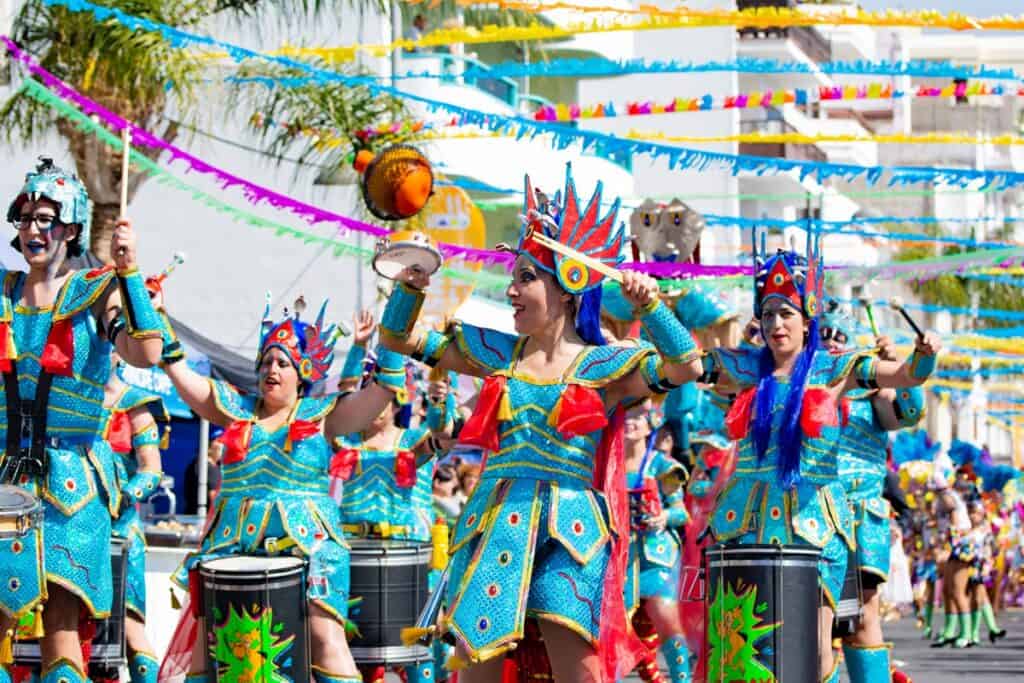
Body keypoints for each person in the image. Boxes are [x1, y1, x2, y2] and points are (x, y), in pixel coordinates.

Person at [379, 168, 703, 683]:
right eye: (514, 277)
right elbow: (399, 338)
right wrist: (411, 285)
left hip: (572, 530)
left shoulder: (606, 366)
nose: (511, 291)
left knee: (581, 674)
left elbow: (688, 367)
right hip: (494, 520)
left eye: (526, 278)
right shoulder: (496, 355)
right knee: (474, 672)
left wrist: (652, 305)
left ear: (570, 286)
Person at [698, 234, 941, 682]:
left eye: (786, 313)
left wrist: (918, 360)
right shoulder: (750, 372)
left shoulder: (847, 378)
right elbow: (690, 368)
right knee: (750, 646)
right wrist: (655, 311)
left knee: (856, 622)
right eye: (767, 314)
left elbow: (907, 402)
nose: (776, 325)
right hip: (753, 519)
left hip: (837, 515)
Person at [159, 294, 408, 683]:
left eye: (282, 362)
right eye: (265, 363)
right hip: (233, 542)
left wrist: (403, 302)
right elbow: (176, 368)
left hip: (312, 543)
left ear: (302, 371)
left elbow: (381, 392)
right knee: (210, 649)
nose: (270, 369)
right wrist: (154, 309)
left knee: (325, 636)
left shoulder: (322, 414)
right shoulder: (233, 408)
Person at [0, 158, 163, 683]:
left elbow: (147, 352)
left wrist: (129, 272)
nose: (32, 229)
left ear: (70, 228)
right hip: (4, 478)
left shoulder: (95, 291)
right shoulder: (1, 292)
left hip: (70, 485)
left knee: (60, 630)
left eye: (45, 219)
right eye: (24, 218)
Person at [819, 305, 925, 682]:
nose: (832, 344)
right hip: (810, 513)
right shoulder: (801, 384)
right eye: (824, 336)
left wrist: (896, 369)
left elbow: (908, 414)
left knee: (862, 615)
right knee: (815, 620)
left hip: (861, 515)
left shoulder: (871, 392)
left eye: (840, 338)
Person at [101, 351, 168, 683]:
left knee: (129, 629)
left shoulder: (134, 404)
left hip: (119, 530)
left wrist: (124, 495)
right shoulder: (60, 401)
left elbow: (152, 469)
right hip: (65, 527)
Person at [623, 400, 691, 682]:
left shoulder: (662, 466)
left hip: (656, 557)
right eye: (626, 416)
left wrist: (663, 516)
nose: (630, 422)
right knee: (616, 629)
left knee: (667, 619)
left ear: (650, 424)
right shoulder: (605, 464)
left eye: (638, 416)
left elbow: (682, 513)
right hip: (619, 559)